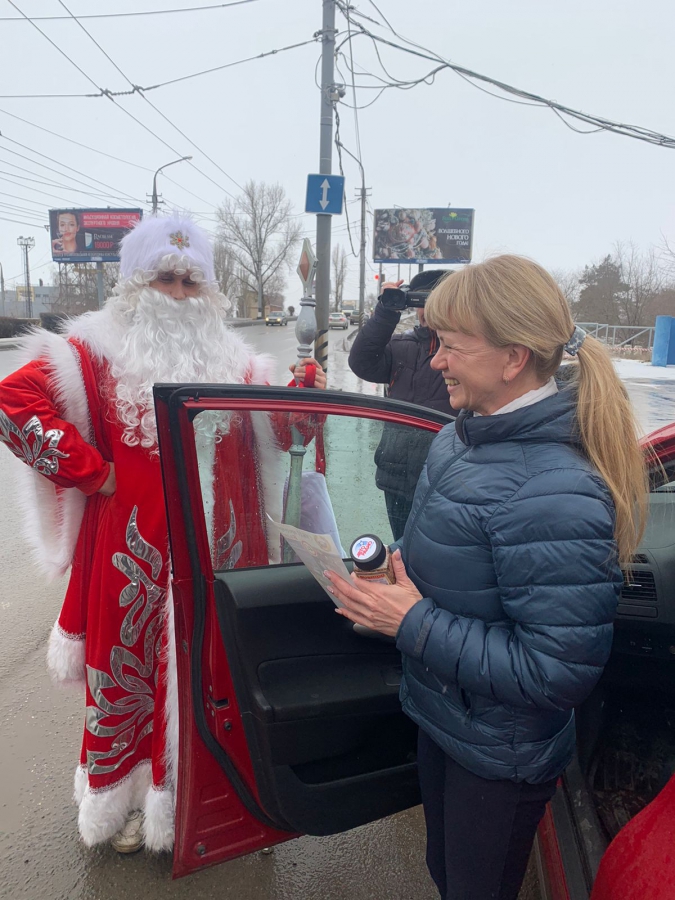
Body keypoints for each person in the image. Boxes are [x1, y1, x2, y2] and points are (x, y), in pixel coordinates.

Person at [0, 213, 325, 855]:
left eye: (189, 282)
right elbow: (14, 403)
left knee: (211, 672)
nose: (177, 294)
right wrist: (91, 474)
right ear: (133, 285)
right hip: (129, 552)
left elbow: (284, 435)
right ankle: (119, 800)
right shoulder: (88, 350)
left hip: (216, 552)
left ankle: (200, 796)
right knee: (127, 674)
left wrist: (303, 398)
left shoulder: (236, 361)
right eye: (164, 280)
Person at [327, 255, 647, 900]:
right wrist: (397, 571)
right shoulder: (462, 438)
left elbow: (556, 673)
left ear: (513, 358)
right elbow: (451, 560)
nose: (435, 361)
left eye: (449, 345)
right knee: (445, 874)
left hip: (501, 755)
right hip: (445, 715)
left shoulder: (558, 492)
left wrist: (410, 619)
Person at [348, 269, 453, 540]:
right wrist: (386, 311)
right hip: (396, 473)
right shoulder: (400, 346)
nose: (427, 311)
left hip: (447, 477)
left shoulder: (462, 352)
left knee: (438, 552)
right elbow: (361, 362)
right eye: (420, 302)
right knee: (401, 549)